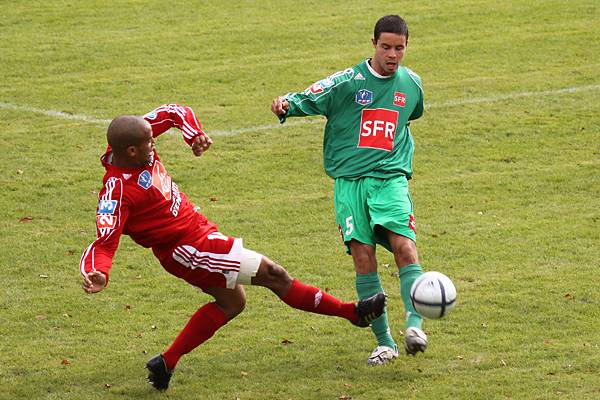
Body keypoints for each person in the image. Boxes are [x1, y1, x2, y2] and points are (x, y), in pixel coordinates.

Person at [79, 103, 386, 391]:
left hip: (198, 232)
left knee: (232, 303)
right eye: (149, 143)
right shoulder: (116, 193)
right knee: (274, 274)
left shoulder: (135, 144)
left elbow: (174, 112)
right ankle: (353, 314)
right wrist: (99, 272)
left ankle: (165, 363)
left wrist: (193, 134)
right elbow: (105, 241)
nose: (154, 143)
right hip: (190, 249)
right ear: (131, 151)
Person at [270, 15, 428, 365]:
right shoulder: (347, 81)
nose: (392, 54)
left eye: (399, 48)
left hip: (390, 179)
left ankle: (415, 327)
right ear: (374, 44)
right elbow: (311, 96)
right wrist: (286, 104)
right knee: (363, 257)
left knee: (405, 248)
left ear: (406, 47)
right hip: (350, 184)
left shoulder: (412, 85)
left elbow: (409, 117)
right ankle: (384, 342)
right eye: (386, 47)